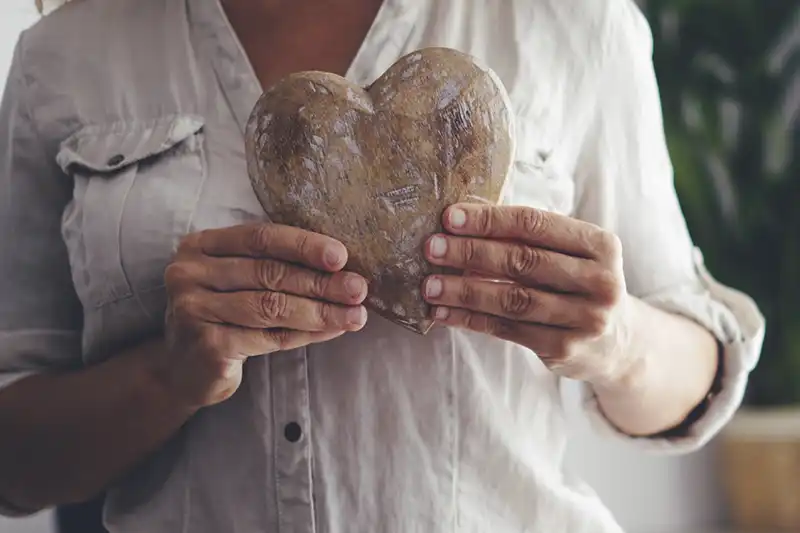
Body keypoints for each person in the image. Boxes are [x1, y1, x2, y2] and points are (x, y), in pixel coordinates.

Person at [0, 0, 765, 532]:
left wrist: (620, 341)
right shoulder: (68, 59)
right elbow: (16, 461)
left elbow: (697, 364)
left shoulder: (569, 22)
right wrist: (166, 375)